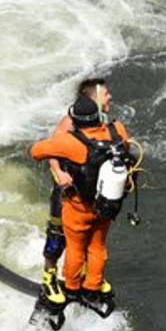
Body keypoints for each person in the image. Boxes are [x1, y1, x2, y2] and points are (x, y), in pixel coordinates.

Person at [31, 79, 129, 312]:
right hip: (68, 189)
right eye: (105, 94)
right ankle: (50, 277)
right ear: (93, 100)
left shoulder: (111, 125)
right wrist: (57, 172)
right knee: (57, 238)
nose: (110, 97)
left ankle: (84, 281)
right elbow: (53, 148)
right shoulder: (69, 123)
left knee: (86, 244)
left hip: (94, 199)